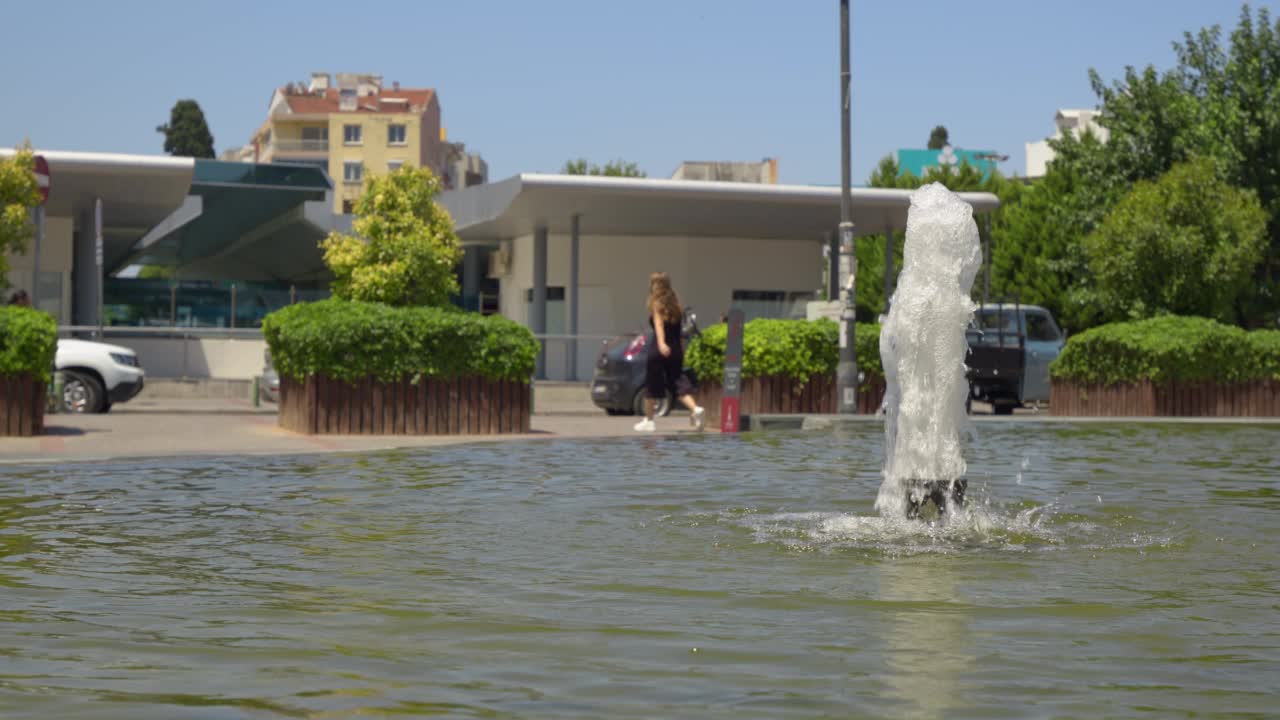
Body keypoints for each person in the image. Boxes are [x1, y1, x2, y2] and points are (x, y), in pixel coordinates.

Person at [634, 272, 705, 432]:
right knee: (677, 382)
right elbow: (679, 331)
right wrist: (680, 350)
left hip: (660, 349)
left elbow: (659, 325)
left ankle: (649, 420)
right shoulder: (676, 306)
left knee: (651, 385)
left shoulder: (656, 303)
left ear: (654, 285)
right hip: (676, 350)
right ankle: (695, 409)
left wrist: (661, 343)